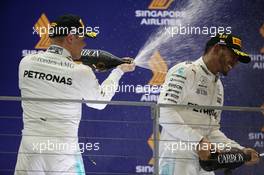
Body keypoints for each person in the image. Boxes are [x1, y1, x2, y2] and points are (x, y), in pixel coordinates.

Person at [15, 14, 135, 175]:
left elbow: (56, 64)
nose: (84, 44)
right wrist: (118, 71)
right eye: (82, 38)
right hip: (63, 151)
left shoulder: (26, 62)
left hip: (29, 148)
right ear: (70, 38)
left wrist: (74, 59)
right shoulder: (81, 72)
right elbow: (99, 103)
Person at [158, 33, 259, 175]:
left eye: (238, 58)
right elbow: (164, 112)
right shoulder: (186, 70)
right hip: (177, 156)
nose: (236, 62)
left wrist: (238, 149)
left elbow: (211, 130)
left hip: (205, 160)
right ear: (217, 49)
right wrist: (199, 141)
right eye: (233, 55)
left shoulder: (218, 86)